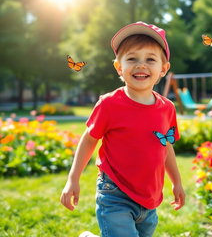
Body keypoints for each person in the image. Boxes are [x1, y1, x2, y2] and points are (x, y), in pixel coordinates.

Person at [60, 21, 185, 237]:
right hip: (115, 193)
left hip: (149, 198)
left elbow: (166, 147)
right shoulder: (109, 104)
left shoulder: (167, 108)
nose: (141, 65)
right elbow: (89, 139)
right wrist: (73, 178)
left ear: (163, 69)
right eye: (132, 58)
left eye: (150, 59)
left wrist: (177, 182)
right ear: (119, 67)